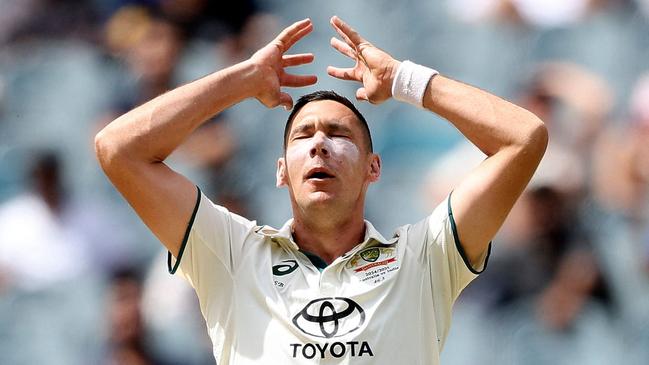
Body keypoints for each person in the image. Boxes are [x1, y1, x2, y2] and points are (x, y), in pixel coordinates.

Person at [95, 16, 547, 364]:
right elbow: (118, 149)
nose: (319, 146)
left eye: (339, 134)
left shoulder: (426, 259)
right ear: (281, 172)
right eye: (303, 136)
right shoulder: (230, 255)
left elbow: (524, 138)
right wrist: (242, 80)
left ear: (374, 168)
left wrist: (404, 81)